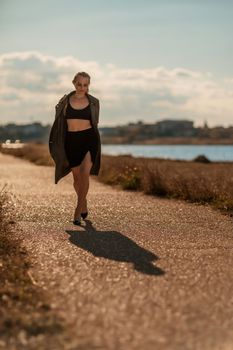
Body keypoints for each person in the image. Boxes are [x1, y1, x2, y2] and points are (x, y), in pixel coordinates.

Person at [49, 72, 101, 226]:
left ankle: (78, 210)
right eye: (79, 84)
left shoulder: (94, 102)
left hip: (89, 139)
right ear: (74, 83)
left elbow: (95, 122)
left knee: (85, 174)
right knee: (77, 179)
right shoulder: (65, 101)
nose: (82, 88)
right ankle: (84, 203)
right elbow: (59, 123)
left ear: (88, 86)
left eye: (86, 85)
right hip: (71, 141)